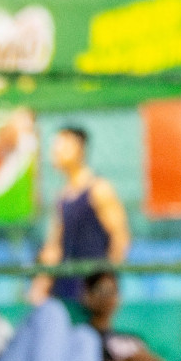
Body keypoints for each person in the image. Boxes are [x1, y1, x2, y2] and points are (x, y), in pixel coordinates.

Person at [30, 126, 130, 303]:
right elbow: (54, 248)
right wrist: (41, 285)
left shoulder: (99, 189)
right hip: (65, 291)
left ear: (79, 148)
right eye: (55, 146)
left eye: (63, 145)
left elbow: (120, 239)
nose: (56, 151)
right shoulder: (62, 196)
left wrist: (106, 284)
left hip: (93, 293)